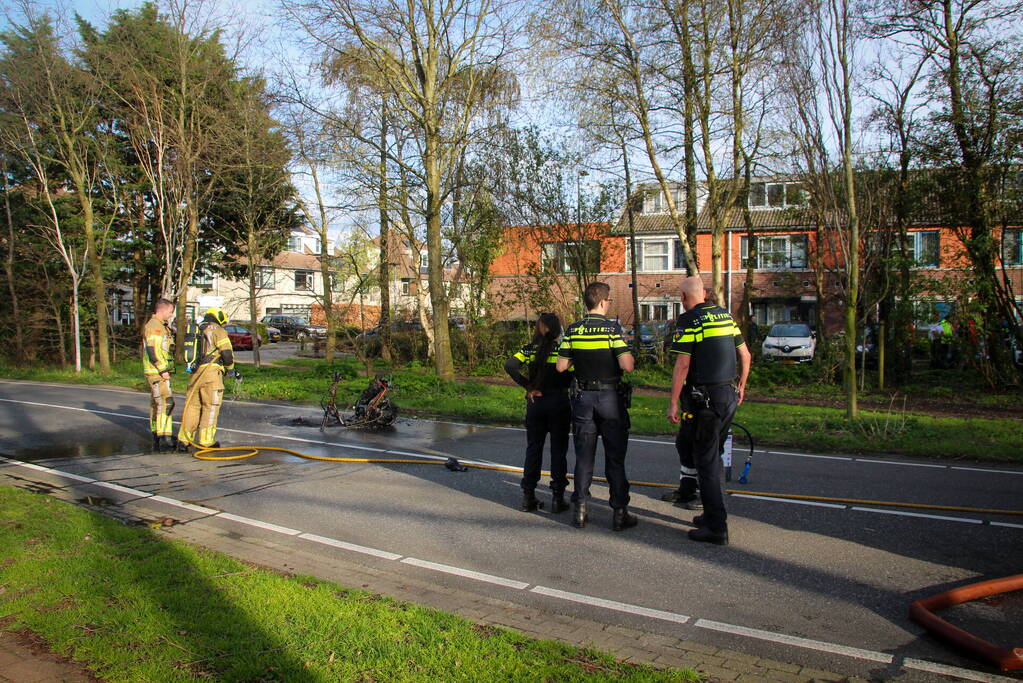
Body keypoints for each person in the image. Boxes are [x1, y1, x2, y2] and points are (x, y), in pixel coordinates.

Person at [667, 277, 751, 546]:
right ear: (703, 293)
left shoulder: (689, 320)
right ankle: (710, 514)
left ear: (682, 297)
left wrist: (673, 402)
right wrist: (742, 385)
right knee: (712, 454)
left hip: (705, 400)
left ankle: (716, 527)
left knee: (706, 462)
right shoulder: (724, 316)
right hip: (727, 395)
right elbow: (746, 355)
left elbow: (682, 364)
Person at [556, 282, 637, 531]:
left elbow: (560, 366)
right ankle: (619, 513)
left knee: (583, 457)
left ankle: (579, 510)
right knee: (615, 458)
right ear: (603, 301)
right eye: (610, 300)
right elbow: (627, 365)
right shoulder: (612, 330)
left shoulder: (573, 330)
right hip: (609, 399)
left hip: (582, 400)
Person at [504, 312, 573, 514]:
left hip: (536, 403)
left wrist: (529, 386)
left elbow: (509, 365)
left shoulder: (529, 349)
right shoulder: (564, 350)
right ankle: (558, 498)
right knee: (559, 451)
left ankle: (528, 496)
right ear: (558, 328)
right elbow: (574, 373)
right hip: (559, 403)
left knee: (533, 449)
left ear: (540, 328)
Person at [177, 307, 237, 451]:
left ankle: (184, 440)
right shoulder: (218, 330)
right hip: (211, 373)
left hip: (195, 373)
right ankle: (205, 441)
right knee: (210, 407)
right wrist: (230, 369)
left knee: (192, 406)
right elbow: (227, 354)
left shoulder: (197, 328)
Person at [141, 298, 176, 451]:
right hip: (157, 373)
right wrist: (162, 370)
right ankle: (164, 438)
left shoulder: (161, 326)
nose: (171, 315)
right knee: (166, 403)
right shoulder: (154, 326)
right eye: (170, 311)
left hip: (157, 372)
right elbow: (152, 350)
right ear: (162, 310)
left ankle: (159, 434)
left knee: (157, 404)